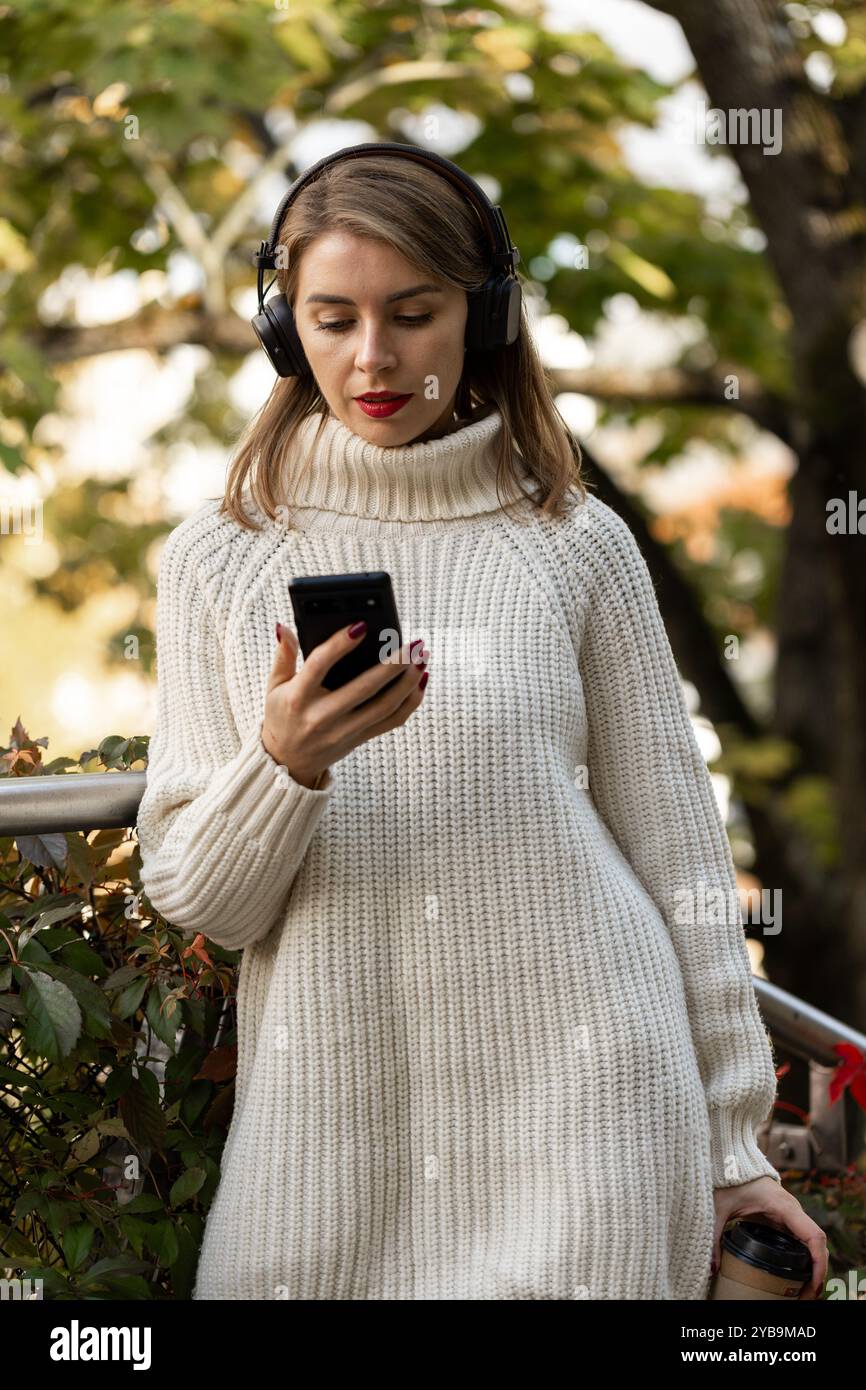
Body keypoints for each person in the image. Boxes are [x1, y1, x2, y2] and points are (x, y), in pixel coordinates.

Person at [135, 146, 827, 1300]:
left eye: (413, 312)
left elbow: (679, 857)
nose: (372, 356)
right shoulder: (218, 557)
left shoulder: (574, 544)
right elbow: (205, 899)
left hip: (591, 1117)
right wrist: (283, 765)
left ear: (485, 314)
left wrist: (731, 1148)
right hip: (323, 1151)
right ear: (280, 327)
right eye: (332, 316)